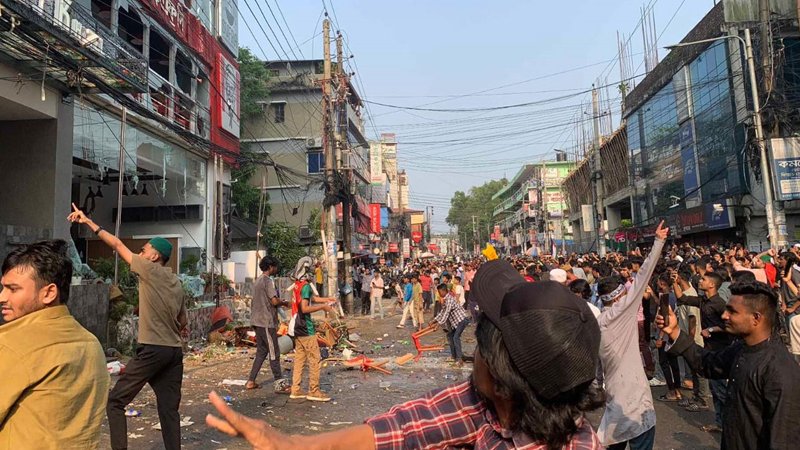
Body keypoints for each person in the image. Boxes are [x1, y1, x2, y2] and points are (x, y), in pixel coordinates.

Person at [206, 261, 605, 449]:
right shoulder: (485, 405)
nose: (475, 353)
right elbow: (404, 426)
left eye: (481, 341)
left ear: (503, 380)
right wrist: (287, 442)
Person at [68, 204, 187, 450]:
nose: (140, 252)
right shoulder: (176, 282)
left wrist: (88, 222)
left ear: (154, 257)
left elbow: (117, 245)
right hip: (173, 352)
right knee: (169, 412)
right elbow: (183, 321)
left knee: (115, 402)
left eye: (144, 249)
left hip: (152, 349)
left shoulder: (148, 269)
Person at [658, 281, 800, 449]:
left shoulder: (780, 370)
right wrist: (674, 332)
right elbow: (707, 363)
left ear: (756, 318)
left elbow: (783, 441)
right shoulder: (742, 348)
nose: (724, 316)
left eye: (732, 311)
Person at [0, 240, 109, 449]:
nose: (2, 297)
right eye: (3, 288)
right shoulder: (90, 343)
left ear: (49, 293)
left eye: (13, 289)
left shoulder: (13, 344)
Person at [595, 220, 667, 450]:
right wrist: (658, 242)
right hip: (636, 400)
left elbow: (596, 368)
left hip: (614, 398)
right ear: (619, 296)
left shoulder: (597, 324)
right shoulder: (622, 312)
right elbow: (643, 276)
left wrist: (597, 388)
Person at [673, 270, 732, 433]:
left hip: (720, 351)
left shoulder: (719, 303)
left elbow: (729, 325)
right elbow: (682, 299)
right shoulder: (702, 300)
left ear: (712, 284)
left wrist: (711, 329)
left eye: (704, 279)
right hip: (710, 350)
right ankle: (720, 423)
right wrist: (675, 282)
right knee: (716, 390)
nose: (700, 281)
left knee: (721, 390)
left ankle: (730, 425)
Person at [289, 270, 337, 402]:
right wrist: (323, 307)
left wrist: (327, 300)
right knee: (315, 359)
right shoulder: (305, 286)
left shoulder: (298, 285)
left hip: (296, 326)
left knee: (300, 359)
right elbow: (305, 308)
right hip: (305, 327)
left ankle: (296, 389)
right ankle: (314, 390)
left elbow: (312, 299)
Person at [246, 256, 291, 393]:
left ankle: (251, 381)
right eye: (275, 266)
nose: (276, 269)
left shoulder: (258, 281)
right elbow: (274, 301)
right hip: (266, 321)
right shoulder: (268, 281)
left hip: (257, 321)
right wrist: (285, 302)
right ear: (270, 267)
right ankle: (279, 383)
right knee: (274, 352)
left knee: (262, 352)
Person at [430, 283, 470, 365]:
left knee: (456, 337)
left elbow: (446, 313)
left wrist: (438, 324)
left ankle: (459, 359)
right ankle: (454, 356)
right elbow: (442, 312)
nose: (439, 293)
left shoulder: (449, 300)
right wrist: (434, 320)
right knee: (450, 336)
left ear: (444, 291)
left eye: (439, 292)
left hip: (462, 320)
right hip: (456, 322)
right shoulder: (446, 300)